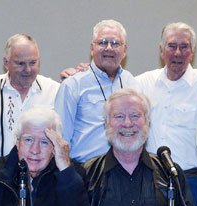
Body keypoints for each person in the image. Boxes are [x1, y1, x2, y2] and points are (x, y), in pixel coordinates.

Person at [84, 88, 196, 206]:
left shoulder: (170, 173)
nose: (127, 123)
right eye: (119, 116)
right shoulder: (87, 173)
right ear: (106, 123)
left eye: (135, 115)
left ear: (147, 122)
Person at [135, 22, 197, 206]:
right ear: (161, 50)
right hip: (151, 179)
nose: (177, 53)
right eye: (172, 46)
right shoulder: (142, 83)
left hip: (191, 180)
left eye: (184, 47)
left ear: (192, 52)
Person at [55, 19, 140, 163]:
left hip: (124, 171)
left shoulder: (132, 84)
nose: (109, 48)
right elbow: (59, 138)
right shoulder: (73, 85)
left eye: (115, 43)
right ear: (92, 48)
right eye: (102, 42)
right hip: (84, 172)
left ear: (124, 50)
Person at [0, 34, 60, 159]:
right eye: (20, 63)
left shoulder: (54, 90)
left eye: (33, 63)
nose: (28, 70)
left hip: (41, 174)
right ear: (6, 63)